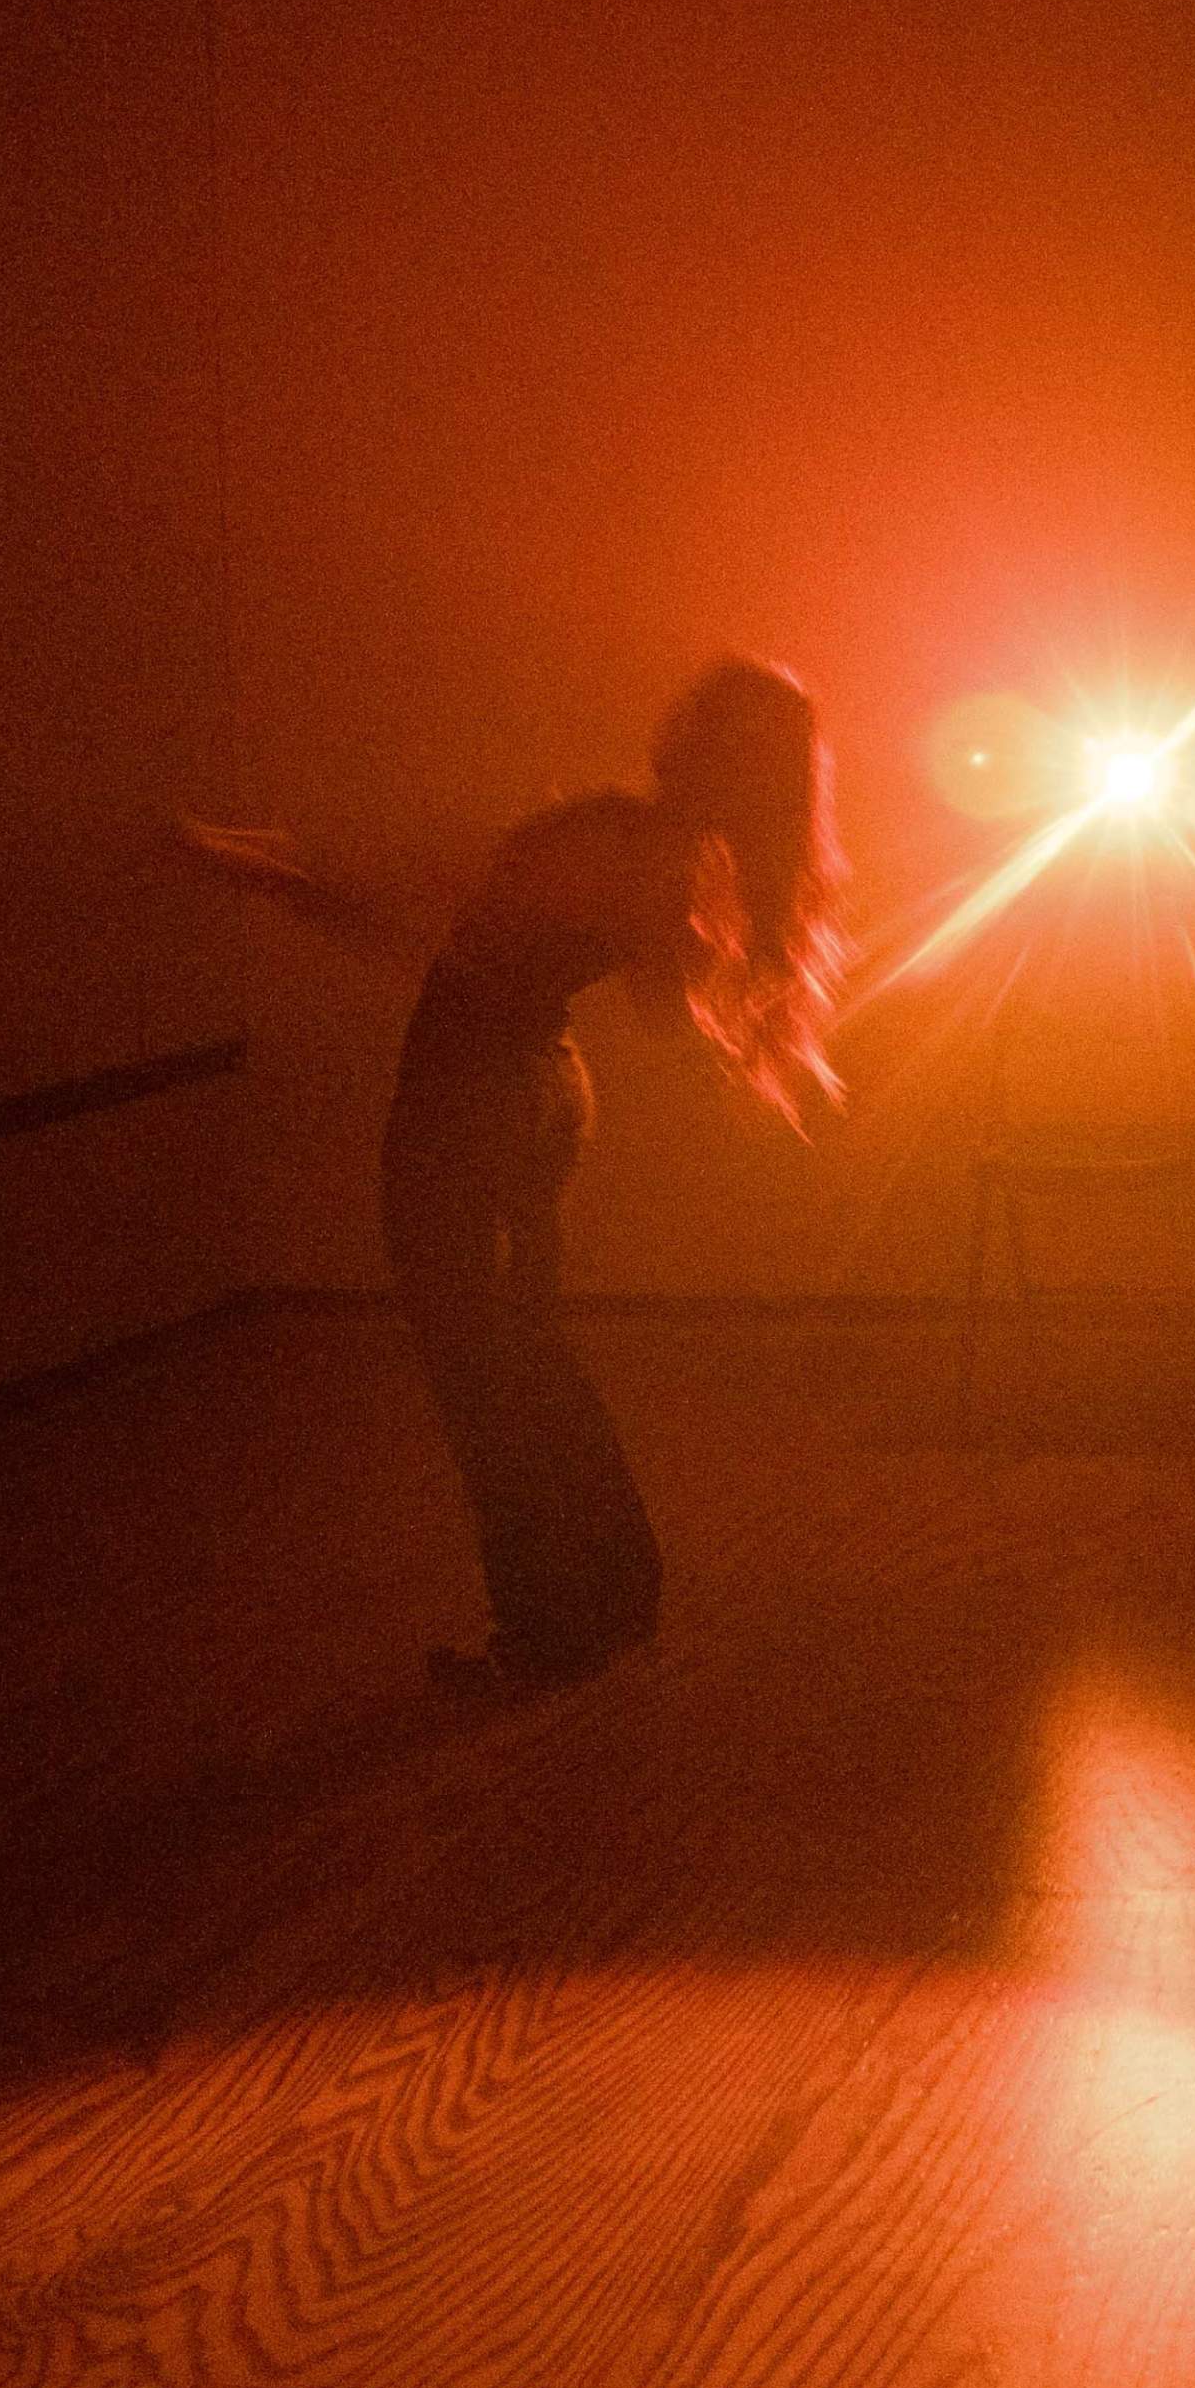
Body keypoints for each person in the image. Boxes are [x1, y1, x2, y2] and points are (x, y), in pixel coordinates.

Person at [182, 656, 842, 1693]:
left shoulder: (621, 832)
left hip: (476, 1088)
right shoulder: (672, 854)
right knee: (525, 1353)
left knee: (479, 1368)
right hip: (540, 1088)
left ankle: (546, 1628)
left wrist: (286, 880)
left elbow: (446, 922)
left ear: (694, 733)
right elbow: (644, 999)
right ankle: (613, 1598)